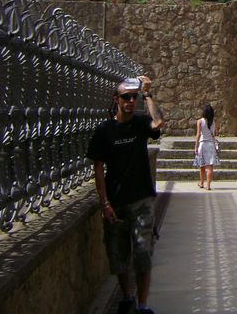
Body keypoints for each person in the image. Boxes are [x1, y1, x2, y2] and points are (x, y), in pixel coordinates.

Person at [87, 76, 165, 314]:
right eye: (126, 97)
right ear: (117, 100)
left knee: (142, 254)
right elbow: (98, 168)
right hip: (116, 201)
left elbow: (158, 123)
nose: (131, 101)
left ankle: (142, 304)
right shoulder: (104, 131)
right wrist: (105, 202)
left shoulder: (141, 123)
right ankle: (127, 296)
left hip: (141, 198)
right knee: (119, 255)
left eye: (134, 97)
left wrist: (148, 94)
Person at [193, 104, 219, 190]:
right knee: (210, 166)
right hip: (211, 144)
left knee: (202, 165)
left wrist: (195, 146)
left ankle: (201, 182)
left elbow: (198, 134)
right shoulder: (213, 122)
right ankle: (208, 185)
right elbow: (213, 135)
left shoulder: (200, 121)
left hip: (202, 144)